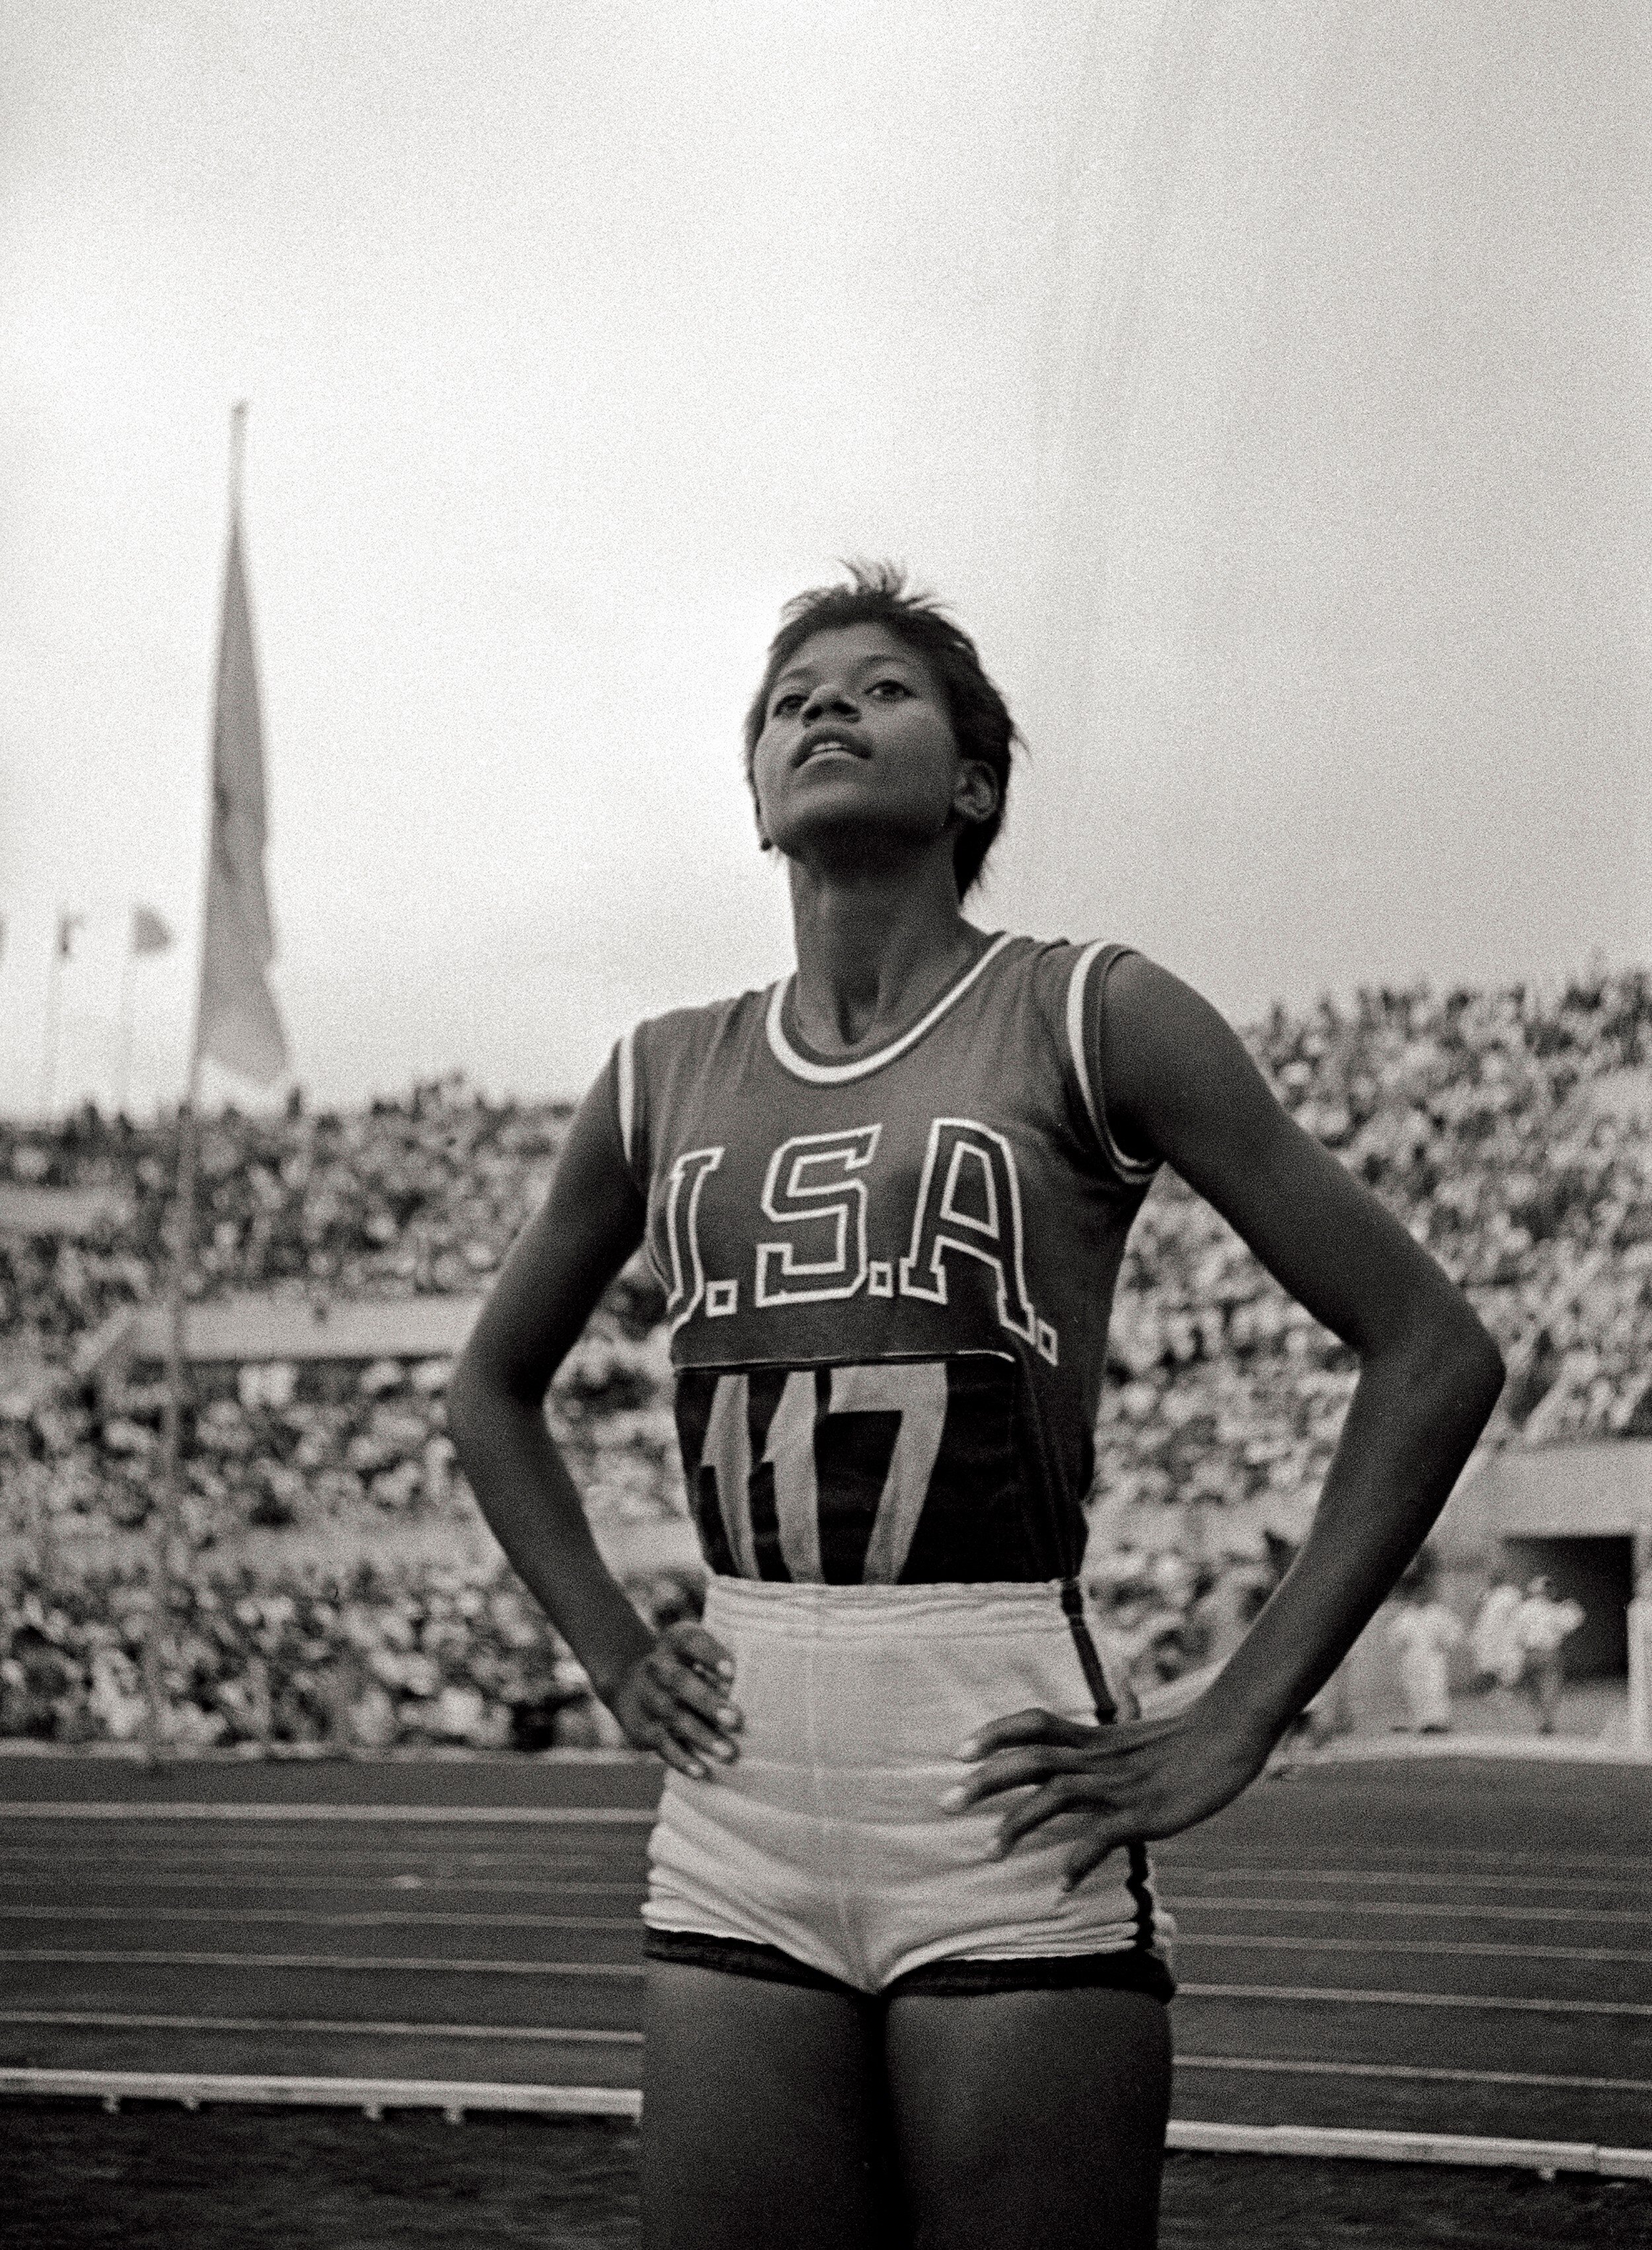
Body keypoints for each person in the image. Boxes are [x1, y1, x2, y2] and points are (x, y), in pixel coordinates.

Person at [448, 565, 1505, 2250]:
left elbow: (1432, 1347)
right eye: (789, 696)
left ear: (972, 783)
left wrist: (1240, 1714)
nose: (822, 708)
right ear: (754, 800)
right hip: (734, 1806)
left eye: (878, 687)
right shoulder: (657, 1070)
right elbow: (488, 1390)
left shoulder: (1094, 1012)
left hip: (1001, 1782)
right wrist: (611, 1648)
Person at [1387, 1551, 1463, 1733]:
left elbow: (1455, 1631)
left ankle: (1438, 1722)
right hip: (1412, 1659)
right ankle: (1422, 1722)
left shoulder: (1438, 1612)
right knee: (1415, 1690)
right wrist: (1403, 1646)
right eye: (1417, 1594)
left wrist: (1445, 1644)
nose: (1420, 1596)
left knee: (1435, 1688)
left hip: (1433, 1658)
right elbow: (1394, 1637)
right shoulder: (1406, 1616)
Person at [1511, 1574, 1585, 1735]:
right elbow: (1573, 1622)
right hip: (1550, 1654)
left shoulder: (1522, 1610)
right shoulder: (1553, 1609)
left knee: (1533, 1690)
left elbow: (1515, 1635)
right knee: (1550, 1688)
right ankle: (1547, 1719)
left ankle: (1540, 1719)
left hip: (1530, 1654)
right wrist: (1572, 1606)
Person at [1469, 1568, 1524, 1694]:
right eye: (1492, 1576)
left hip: (1504, 1638)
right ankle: (1491, 1692)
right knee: (1487, 1667)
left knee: (1505, 1669)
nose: (1493, 1578)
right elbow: (1477, 1614)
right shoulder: (1485, 1594)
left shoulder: (1511, 1594)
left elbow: (1517, 1617)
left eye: (1497, 1576)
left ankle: (1503, 1691)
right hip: (1487, 1637)